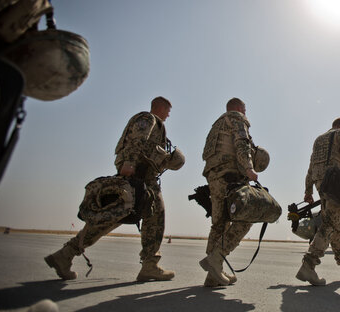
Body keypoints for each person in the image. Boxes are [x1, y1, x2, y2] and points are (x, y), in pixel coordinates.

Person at [45, 96, 180, 281]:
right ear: (160, 107)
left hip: (145, 179)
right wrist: (130, 163)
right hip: (137, 177)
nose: (169, 114)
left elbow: (151, 151)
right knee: (131, 217)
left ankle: (66, 254)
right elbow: (138, 141)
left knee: (129, 216)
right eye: (168, 110)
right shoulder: (148, 119)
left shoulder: (158, 126)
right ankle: (149, 265)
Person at [199, 97, 259, 287]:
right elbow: (242, 143)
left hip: (214, 178)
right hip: (229, 177)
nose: (246, 112)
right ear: (240, 108)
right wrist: (248, 168)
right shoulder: (236, 118)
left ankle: (212, 275)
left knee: (219, 224)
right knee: (248, 216)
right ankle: (217, 259)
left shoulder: (217, 125)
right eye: (245, 108)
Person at [296, 117, 340, 286]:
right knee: (330, 224)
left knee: (334, 224)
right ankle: (308, 265)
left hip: (320, 183)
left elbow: (310, 167)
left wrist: (308, 191)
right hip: (336, 181)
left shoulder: (319, 139)